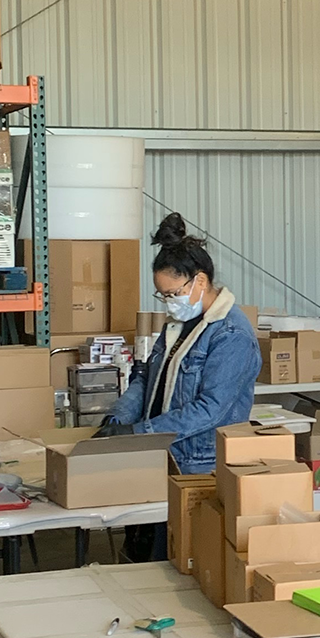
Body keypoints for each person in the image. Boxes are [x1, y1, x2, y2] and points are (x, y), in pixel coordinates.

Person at [103, 213, 261, 562]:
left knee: (180, 559)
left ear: (199, 281)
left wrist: (142, 432)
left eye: (173, 293)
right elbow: (146, 378)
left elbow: (211, 408)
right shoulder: (178, 324)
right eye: (162, 296)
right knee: (147, 552)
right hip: (162, 455)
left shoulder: (231, 335)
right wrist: (119, 418)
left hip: (197, 462)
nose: (169, 302)